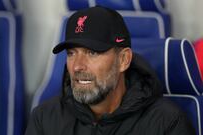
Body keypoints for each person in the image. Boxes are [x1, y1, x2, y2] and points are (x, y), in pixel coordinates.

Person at [25, 6, 196, 135]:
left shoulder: (167, 124)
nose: (77, 66)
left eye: (92, 53)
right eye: (71, 53)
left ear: (123, 60)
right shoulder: (45, 118)